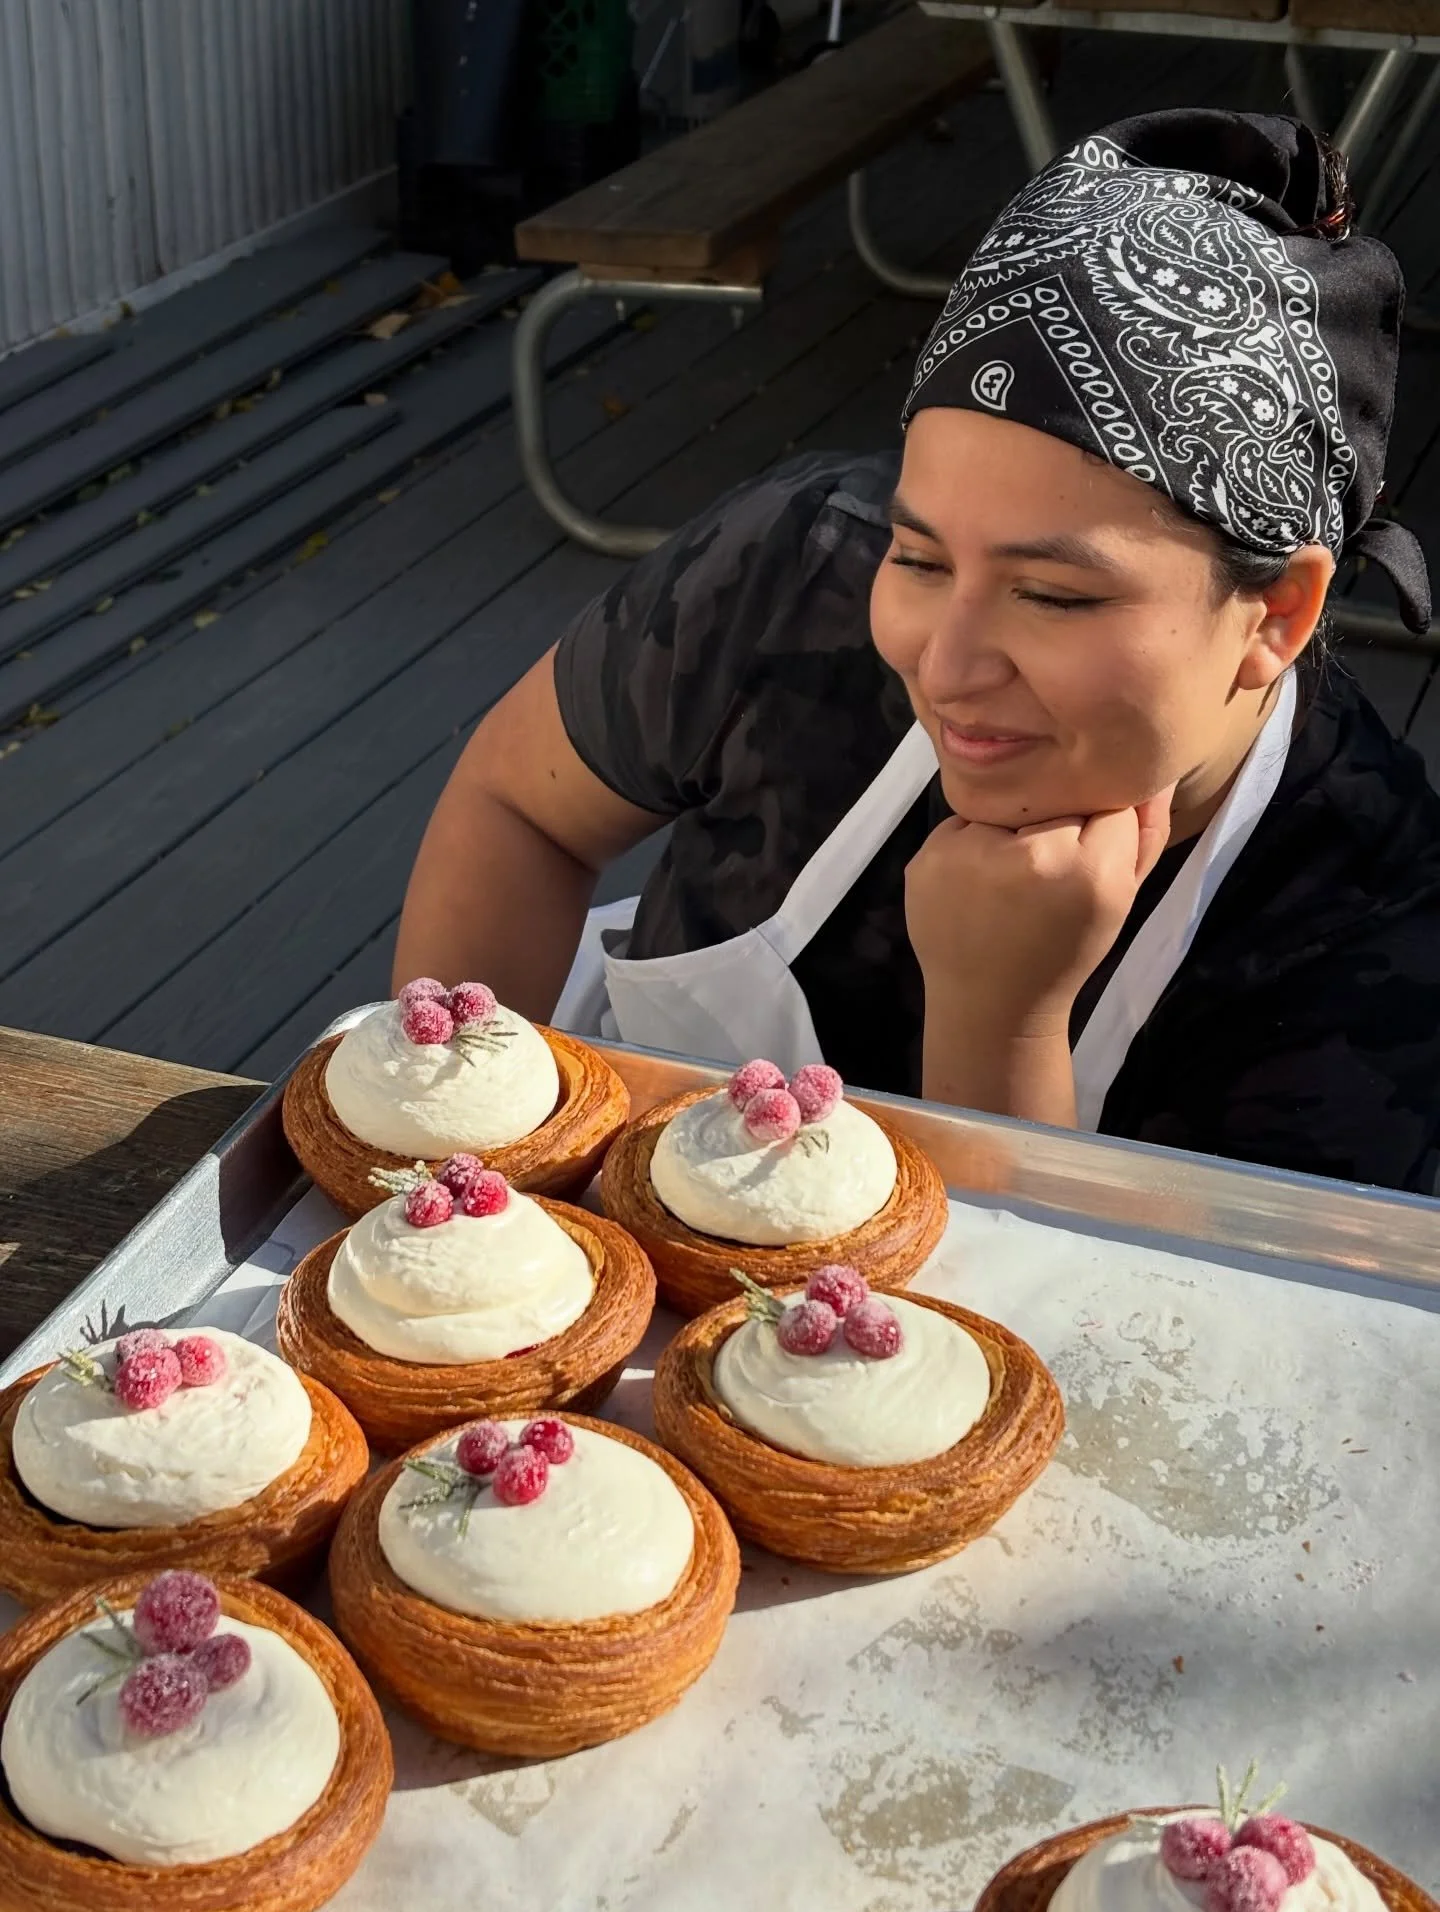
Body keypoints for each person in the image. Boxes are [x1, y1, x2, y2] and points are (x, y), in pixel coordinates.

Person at [396, 108, 1440, 1195]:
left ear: (1276, 613)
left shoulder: (1369, 945)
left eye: (1052, 596)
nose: (944, 670)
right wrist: (449, 1181)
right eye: (921, 558)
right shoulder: (797, 574)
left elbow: (1095, 1305)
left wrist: (1002, 1019)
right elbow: (521, 808)